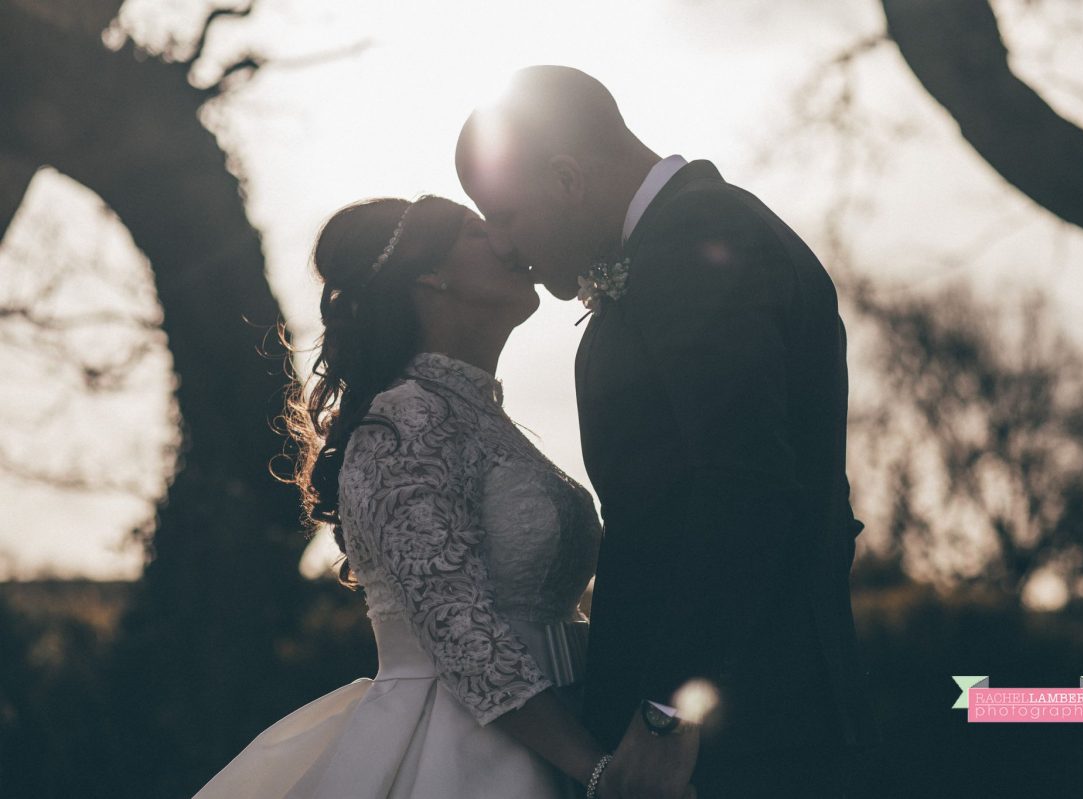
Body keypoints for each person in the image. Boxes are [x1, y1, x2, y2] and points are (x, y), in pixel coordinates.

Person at [456, 66, 880, 798]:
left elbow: (744, 491)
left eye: (503, 213)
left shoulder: (697, 245)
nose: (501, 244)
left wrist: (666, 713)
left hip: (739, 734)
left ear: (565, 178)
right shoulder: (679, 242)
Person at [192, 195, 616, 798]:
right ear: (429, 273)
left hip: (558, 730)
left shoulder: (473, 413)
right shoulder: (408, 420)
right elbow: (455, 624)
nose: (505, 242)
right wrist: (597, 771)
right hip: (465, 752)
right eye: (477, 231)